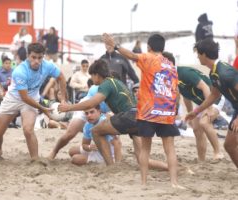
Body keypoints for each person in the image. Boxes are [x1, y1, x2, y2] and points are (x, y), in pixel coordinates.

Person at [58, 59, 175, 185]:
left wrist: (69, 107)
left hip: (130, 116)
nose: (92, 79)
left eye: (92, 76)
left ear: (97, 75)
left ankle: (111, 166)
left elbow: (92, 103)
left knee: (96, 131)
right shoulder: (116, 81)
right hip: (140, 116)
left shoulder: (106, 84)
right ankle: (172, 168)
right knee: (141, 156)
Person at [101, 33, 182, 187]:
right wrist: (174, 109)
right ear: (163, 48)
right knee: (170, 150)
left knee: (145, 148)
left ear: (149, 47)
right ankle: (174, 183)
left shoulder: (149, 58)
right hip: (166, 112)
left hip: (148, 111)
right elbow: (175, 90)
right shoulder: (171, 65)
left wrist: (115, 45)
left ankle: (144, 182)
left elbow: (132, 55)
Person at [0, 42, 67, 161]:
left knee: (28, 129)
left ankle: (35, 160)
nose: (36, 61)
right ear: (27, 56)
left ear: (43, 56)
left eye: (40, 57)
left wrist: (63, 99)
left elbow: (61, 77)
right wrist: (43, 109)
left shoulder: (48, 65)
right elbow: (24, 97)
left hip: (32, 98)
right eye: (33, 57)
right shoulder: (20, 71)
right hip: (14, 99)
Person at [186, 38, 238, 168]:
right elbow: (214, 95)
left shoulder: (225, 73)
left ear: (204, 54)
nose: (197, 57)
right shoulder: (214, 73)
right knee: (229, 146)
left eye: (198, 53)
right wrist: (196, 111)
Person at [162, 52, 224, 161]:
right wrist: (190, 113)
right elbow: (186, 96)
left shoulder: (185, 72)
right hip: (202, 103)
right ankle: (201, 160)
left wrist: (209, 109)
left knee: (204, 122)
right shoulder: (171, 77)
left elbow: (205, 87)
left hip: (214, 98)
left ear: (168, 64)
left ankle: (218, 153)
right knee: (196, 129)